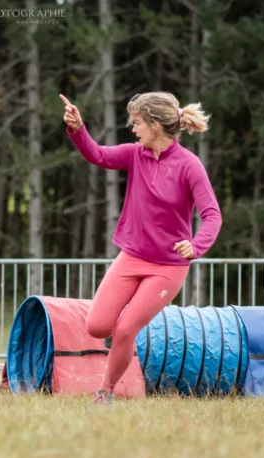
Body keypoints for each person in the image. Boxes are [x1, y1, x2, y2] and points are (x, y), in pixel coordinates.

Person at [59, 91, 222, 404]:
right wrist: (78, 128)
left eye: (137, 123)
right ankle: (127, 345)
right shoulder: (135, 154)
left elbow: (212, 215)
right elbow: (98, 155)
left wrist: (196, 245)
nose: (133, 129)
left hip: (168, 268)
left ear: (156, 126)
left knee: (123, 331)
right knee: (98, 325)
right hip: (131, 257)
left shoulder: (189, 165)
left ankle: (105, 392)